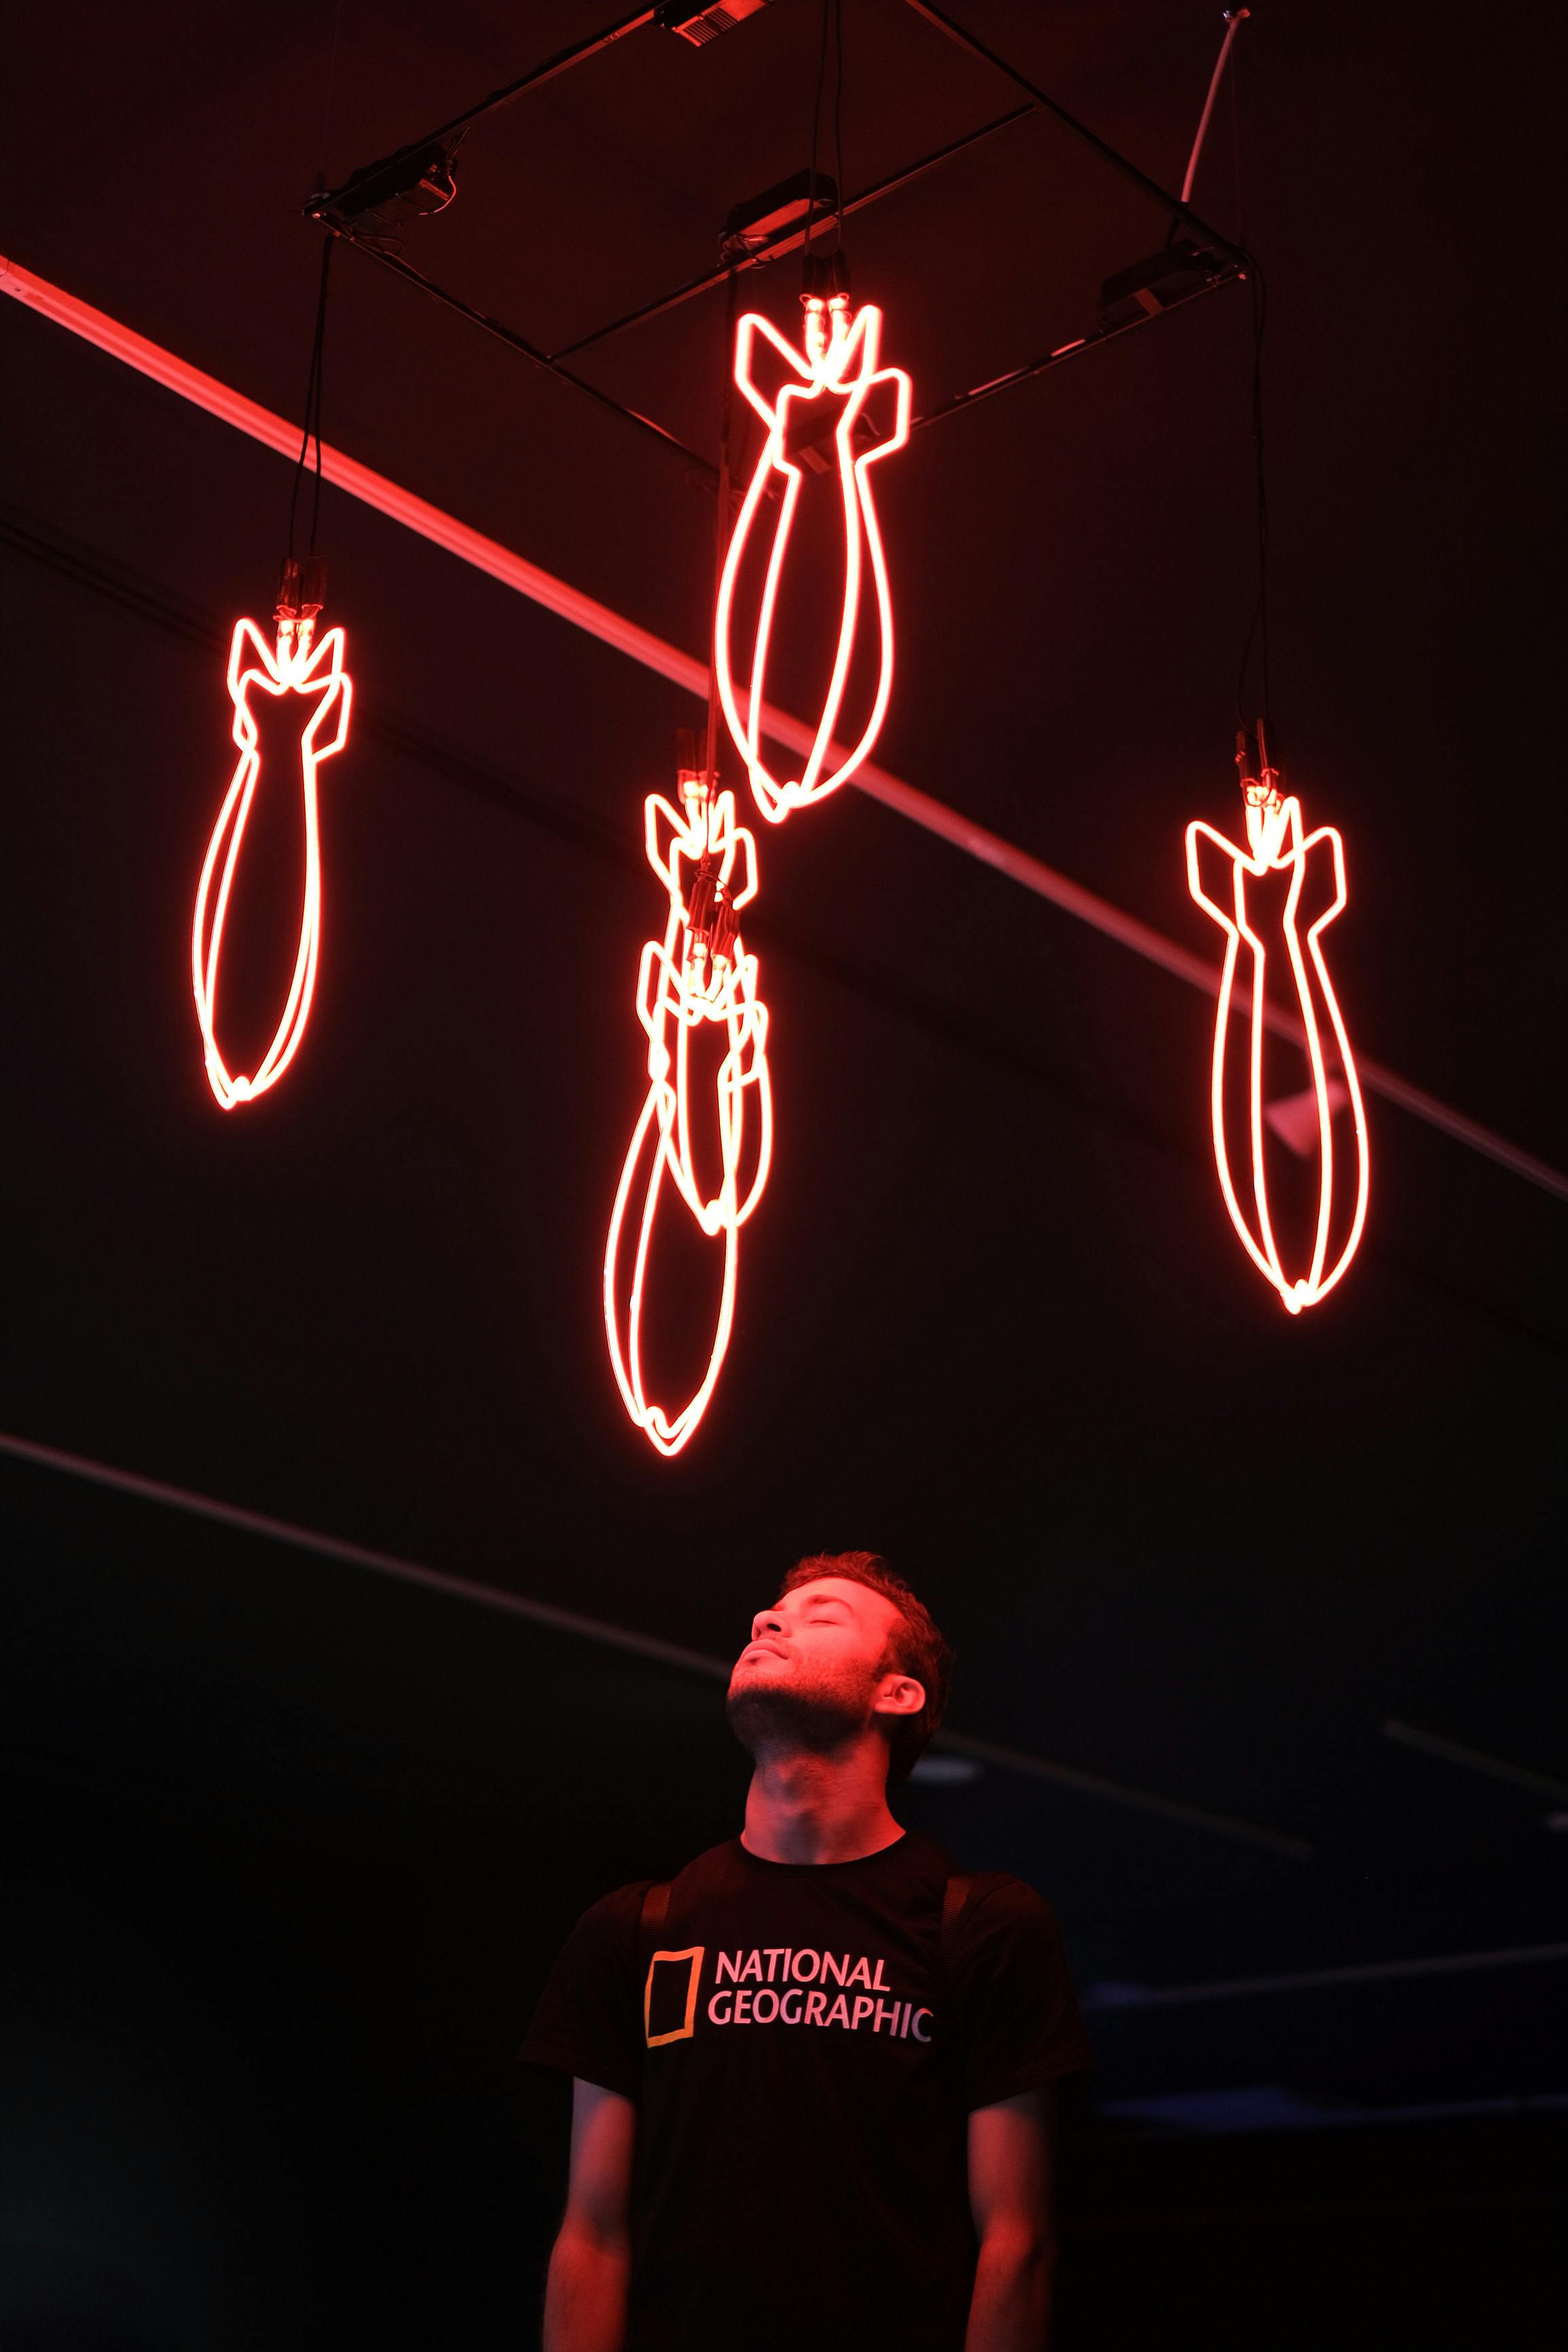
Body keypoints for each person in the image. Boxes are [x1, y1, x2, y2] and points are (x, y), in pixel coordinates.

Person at [522, 1551, 1091, 2351]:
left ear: (897, 1693)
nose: (768, 1621)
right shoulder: (637, 1926)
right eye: (770, 1614)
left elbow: (1017, 2242)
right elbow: (589, 2233)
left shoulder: (981, 1925)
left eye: (823, 1616)